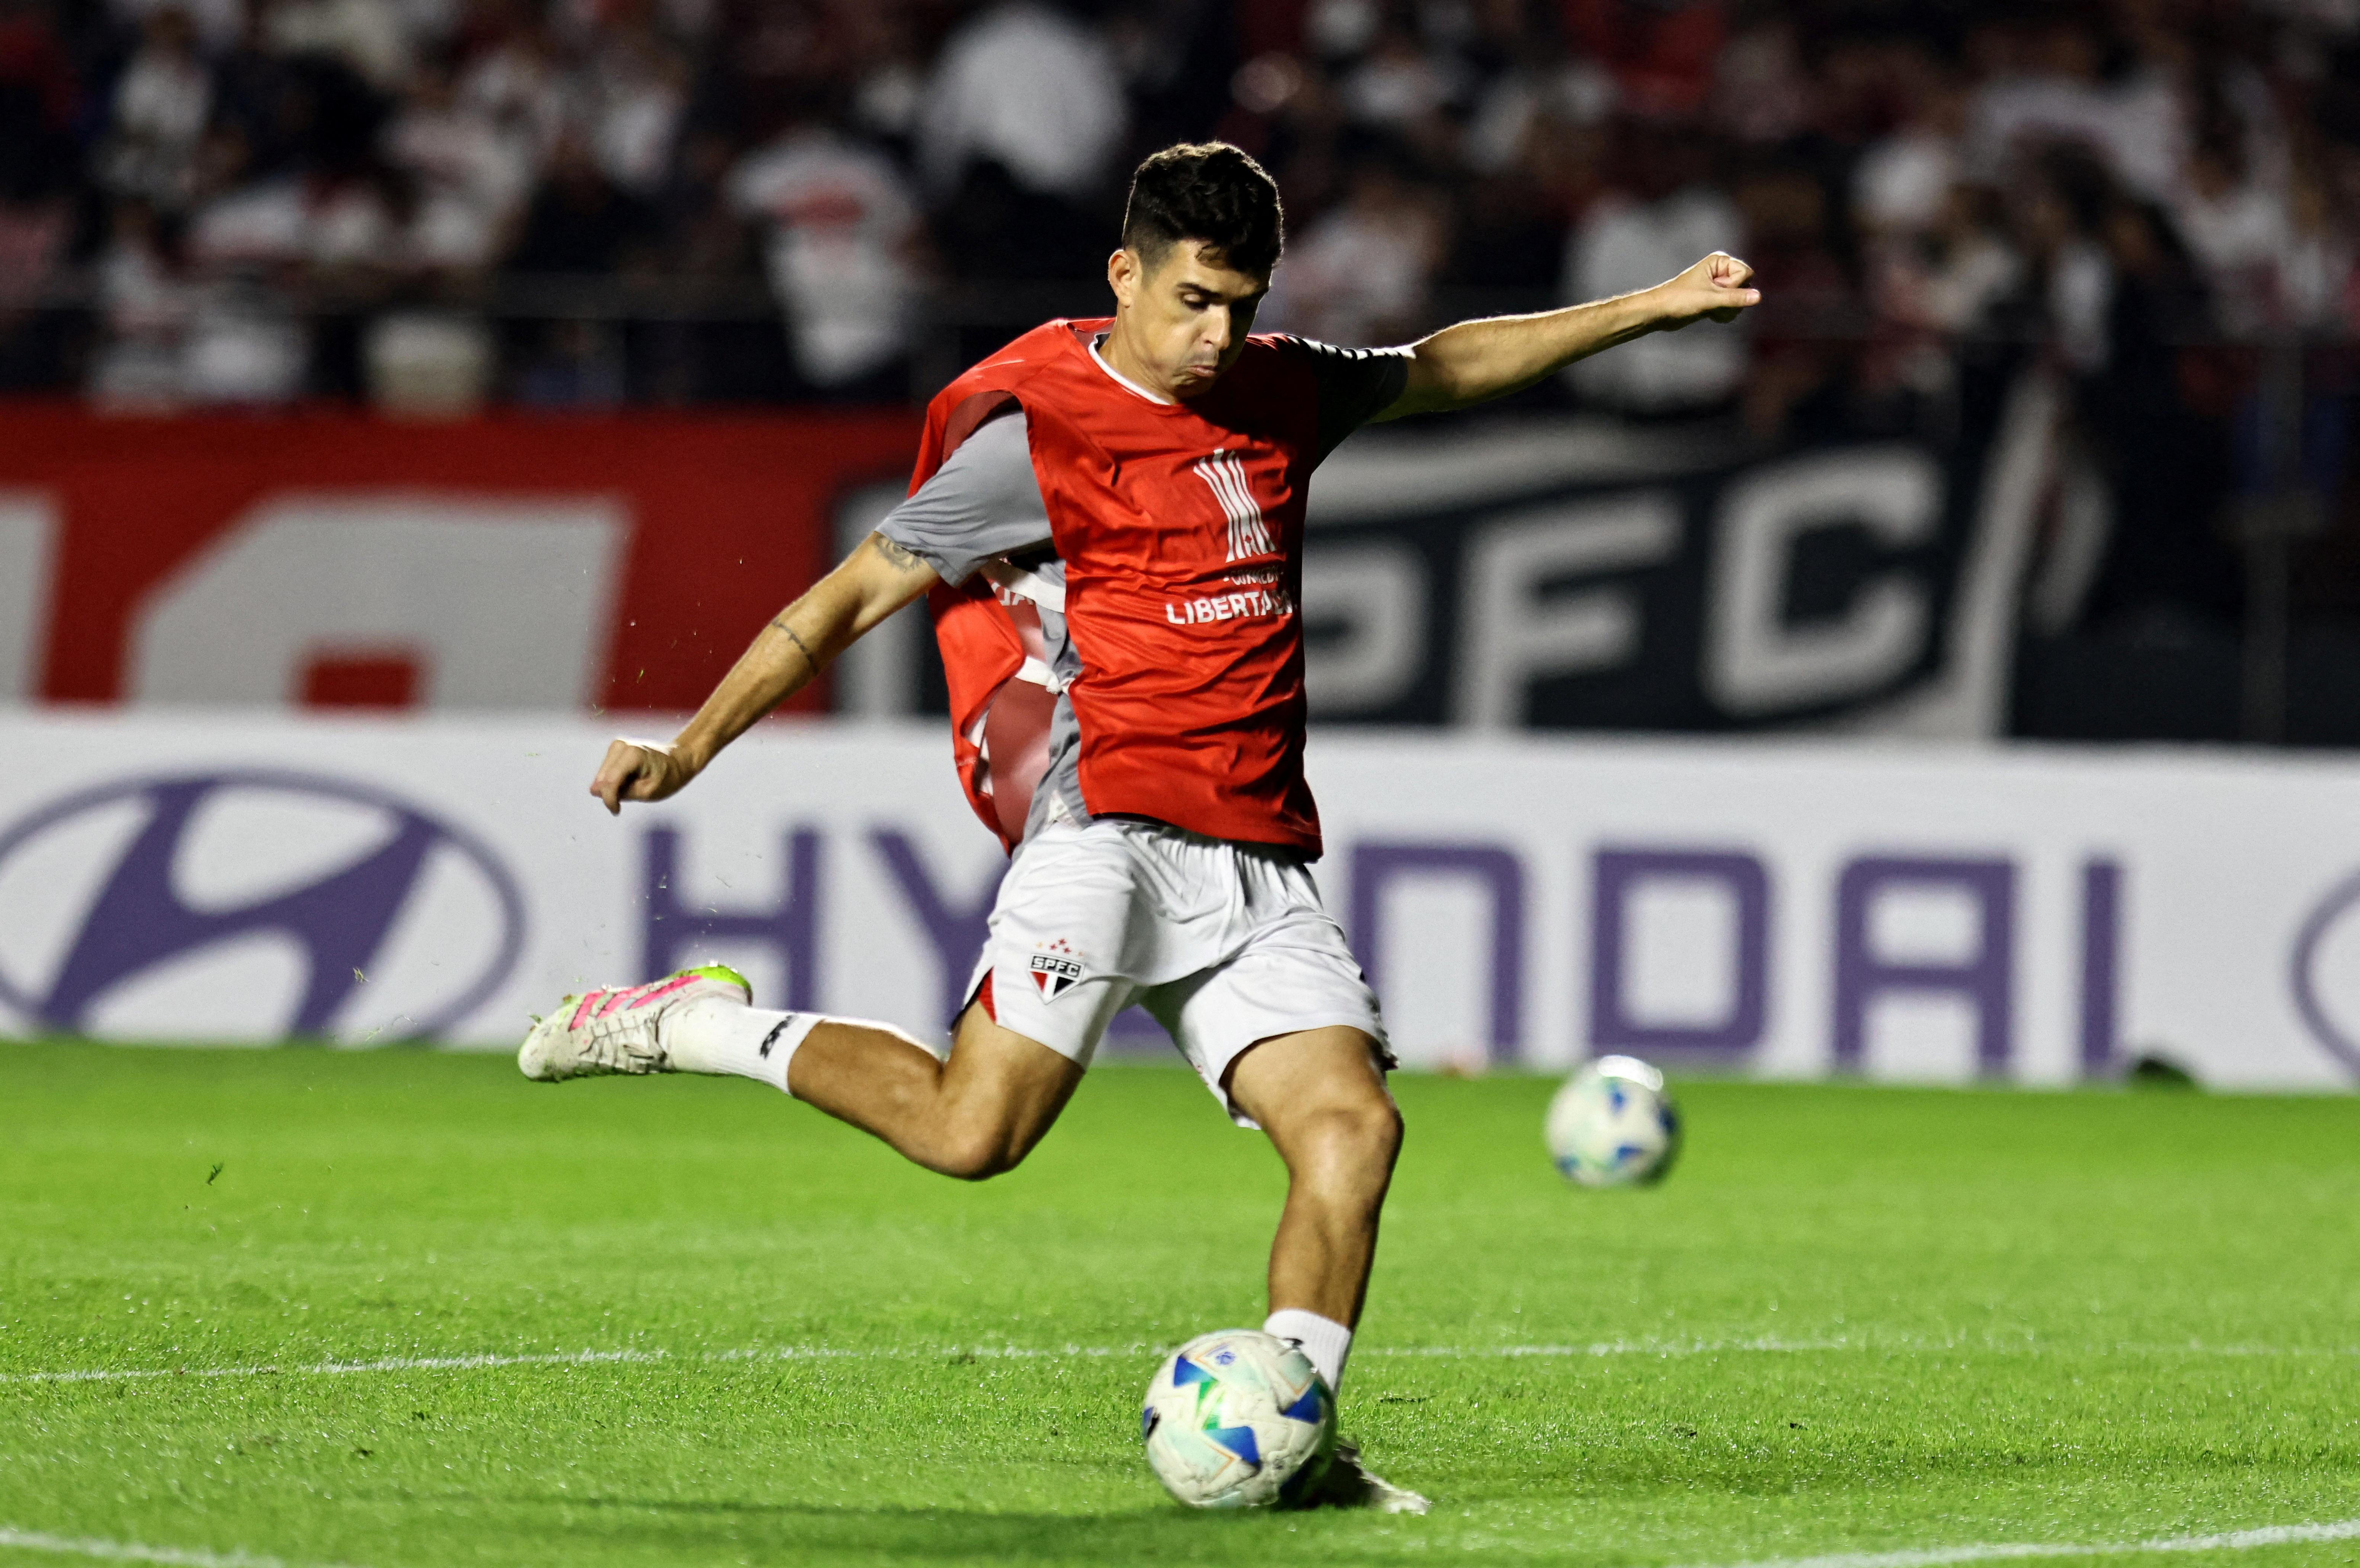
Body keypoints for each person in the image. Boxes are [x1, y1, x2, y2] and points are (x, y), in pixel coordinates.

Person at [518, 140, 1757, 1510]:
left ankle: (1296, 1434)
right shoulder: (1037, 436)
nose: (1218, 335)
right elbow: (847, 598)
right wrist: (690, 744)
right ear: (1125, 273)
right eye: (1192, 300)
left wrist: (1650, 305)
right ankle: (685, 1021)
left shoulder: (1279, 387)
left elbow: (1446, 365)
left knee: (1352, 1132)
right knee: (969, 1134)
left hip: (1258, 851)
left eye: (1241, 302)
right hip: (1105, 822)